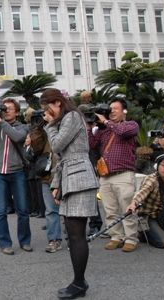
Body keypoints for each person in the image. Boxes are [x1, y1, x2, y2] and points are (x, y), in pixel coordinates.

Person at [40, 88, 99, 299]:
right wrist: (57, 184)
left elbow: (56, 146)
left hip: (80, 178)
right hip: (71, 177)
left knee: (76, 235)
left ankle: (79, 283)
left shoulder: (72, 116)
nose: (47, 113)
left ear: (58, 102)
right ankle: (78, 282)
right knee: (74, 236)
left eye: (48, 109)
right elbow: (62, 158)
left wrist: (49, 125)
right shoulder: (66, 119)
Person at [0, 98, 32, 255]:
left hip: (17, 172)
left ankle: (25, 241)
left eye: (10, 108)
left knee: (22, 209)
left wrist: (2, 123)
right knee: (1, 211)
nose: (6, 110)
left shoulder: (23, 127)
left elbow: (17, 137)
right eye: (4, 108)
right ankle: (5, 243)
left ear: (17, 112)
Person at [88, 97, 139, 252]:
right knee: (110, 210)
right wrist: (90, 128)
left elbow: (122, 131)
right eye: (110, 109)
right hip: (105, 175)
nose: (112, 112)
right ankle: (116, 237)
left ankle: (131, 239)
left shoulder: (131, 125)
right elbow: (91, 145)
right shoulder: (103, 130)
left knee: (127, 209)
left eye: (115, 108)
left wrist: (105, 122)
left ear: (124, 111)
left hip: (123, 174)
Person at [126, 154, 164, 248]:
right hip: (149, 216)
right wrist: (134, 203)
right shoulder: (151, 179)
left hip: (163, 214)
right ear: (157, 166)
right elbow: (143, 192)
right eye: (163, 165)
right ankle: (143, 233)